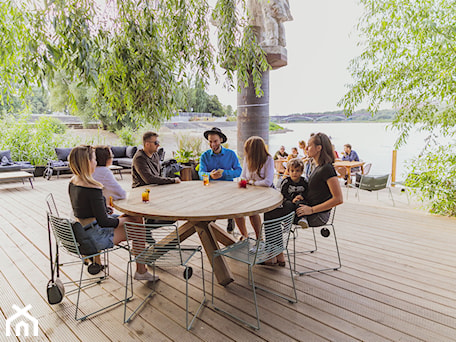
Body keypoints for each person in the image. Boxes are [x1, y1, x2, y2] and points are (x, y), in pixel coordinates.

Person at [68, 145, 158, 282]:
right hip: (95, 236)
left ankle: (141, 264)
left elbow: (82, 209)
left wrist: (104, 210)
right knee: (139, 227)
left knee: (136, 218)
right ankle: (141, 271)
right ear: (87, 162)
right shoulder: (93, 187)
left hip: (82, 231)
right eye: (94, 159)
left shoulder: (73, 182)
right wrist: (124, 221)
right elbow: (105, 222)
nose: (96, 162)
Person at [198, 127, 242, 233]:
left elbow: (238, 171)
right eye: (210, 141)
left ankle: (230, 218)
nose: (213, 144)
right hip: (211, 190)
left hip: (228, 189)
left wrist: (225, 173)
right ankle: (209, 227)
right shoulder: (204, 156)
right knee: (210, 216)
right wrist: (209, 175)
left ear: (221, 140)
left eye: (215, 141)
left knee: (232, 205)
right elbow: (200, 173)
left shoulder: (231, 154)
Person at [234, 136, 274, 240]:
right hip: (249, 191)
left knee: (252, 211)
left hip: (265, 192)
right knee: (236, 210)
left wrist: (251, 182)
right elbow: (243, 175)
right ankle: (244, 235)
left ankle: (259, 238)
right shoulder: (248, 159)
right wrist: (242, 181)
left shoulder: (268, 159)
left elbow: (268, 182)